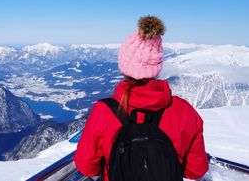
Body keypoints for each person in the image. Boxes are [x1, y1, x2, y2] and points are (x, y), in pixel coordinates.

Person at [74, 16, 209, 181]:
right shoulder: (184, 111)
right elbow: (196, 171)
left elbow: (86, 165)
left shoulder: (105, 111)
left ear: (123, 66)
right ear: (157, 67)